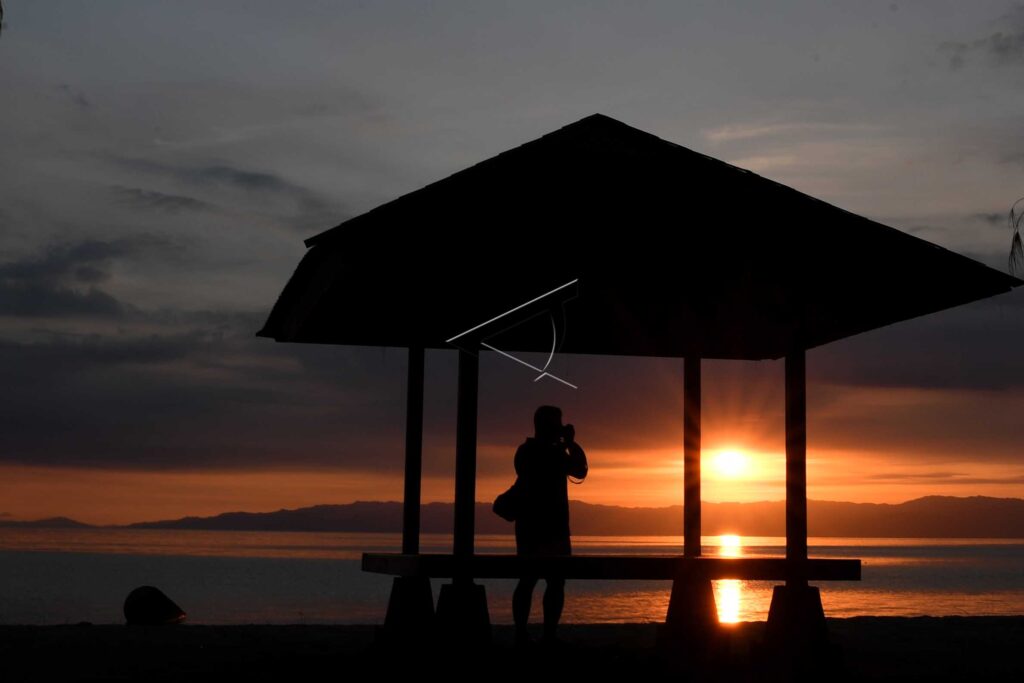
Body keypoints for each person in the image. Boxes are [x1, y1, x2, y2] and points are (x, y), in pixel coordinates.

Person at [512, 404, 588, 648]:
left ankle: (544, 634)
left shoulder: (537, 451)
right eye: (556, 423)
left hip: (542, 527)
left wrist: (569, 444)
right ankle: (528, 634)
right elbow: (578, 470)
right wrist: (569, 444)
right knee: (530, 580)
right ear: (545, 426)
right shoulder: (531, 451)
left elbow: (579, 470)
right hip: (539, 528)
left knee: (552, 581)